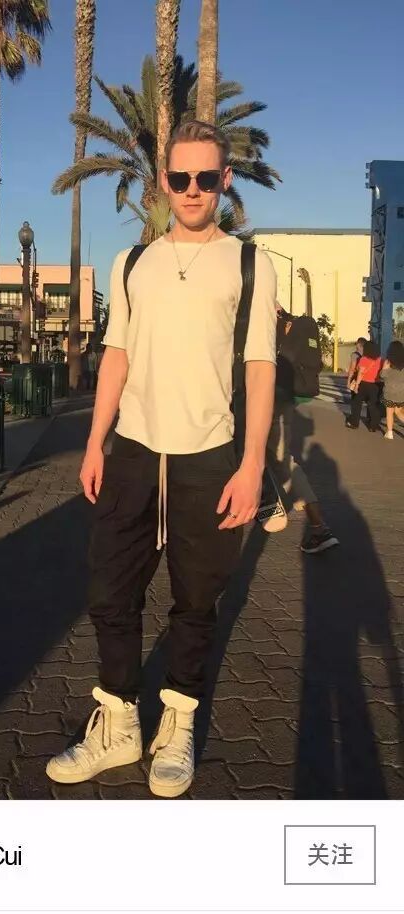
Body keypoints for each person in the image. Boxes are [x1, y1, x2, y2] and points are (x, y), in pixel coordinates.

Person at [46, 120, 277, 798]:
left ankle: (177, 724)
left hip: (210, 453)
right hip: (135, 450)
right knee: (109, 592)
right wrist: (95, 441)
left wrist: (252, 464)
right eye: (181, 177)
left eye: (206, 178)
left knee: (196, 600)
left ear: (224, 180)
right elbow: (116, 355)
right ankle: (118, 724)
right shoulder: (132, 264)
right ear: (164, 182)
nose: (193, 189)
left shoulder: (248, 263)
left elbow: (260, 365)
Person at [268, 305, 339, 553]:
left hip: (266, 398)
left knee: (277, 458)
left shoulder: (269, 326)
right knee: (282, 458)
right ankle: (315, 522)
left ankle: (317, 525)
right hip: (284, 398)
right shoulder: (292, 327)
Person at [346, 339, 382, 431]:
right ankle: (373, 426)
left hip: (363, 384)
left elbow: (361, 373)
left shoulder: (364, 359)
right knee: (373, 405)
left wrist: (357, 385)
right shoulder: (380, 359)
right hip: (375, 385)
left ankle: (354, 423)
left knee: (356, 402)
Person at [380, 339, 404, 440]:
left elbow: (382, 376)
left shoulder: (388, 362)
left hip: (389, 392)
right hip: (401, 393)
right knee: (398, 412)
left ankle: (389, 433)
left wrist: (384, 369)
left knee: (389, 413)